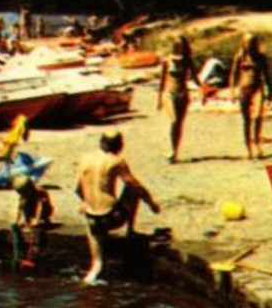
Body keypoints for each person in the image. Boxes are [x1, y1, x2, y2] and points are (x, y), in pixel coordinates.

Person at [74, 131, 161, 285]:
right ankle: (130, 231)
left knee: (97, 265)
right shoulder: (116, 161)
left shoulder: (84, 159)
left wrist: (86, 202)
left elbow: (77, 189)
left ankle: (93, 273)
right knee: (132, 189)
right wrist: (152, 204)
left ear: (101, 142)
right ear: (120, 145)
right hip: (112, 217)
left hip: (92, 218)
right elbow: (135, 185)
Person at [156, 34, 200, 163]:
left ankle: (174, 151)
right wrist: (159, 99)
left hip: (183, 94)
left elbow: (194, 77)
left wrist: (202, 88)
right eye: (178, 45)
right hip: (169, 94)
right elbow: (162, 80)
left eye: (182, 46)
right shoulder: (167, 60)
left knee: (179, 125)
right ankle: (171, 149)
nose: (180, 47)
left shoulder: (187, 60)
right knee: (174, 121)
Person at [229, 34, 272, 159]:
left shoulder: (261, 58)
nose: (251, 45)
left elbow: (267, 75)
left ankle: (257, 144)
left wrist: (271, 91)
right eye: (248, 43)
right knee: (246, 120)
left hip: (258, 88)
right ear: (244, 44)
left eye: (253, 43)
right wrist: (232, 92)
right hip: (244, 89)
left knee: (258, 116)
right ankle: (248, 148)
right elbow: (233, 75)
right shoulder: (240, 57)